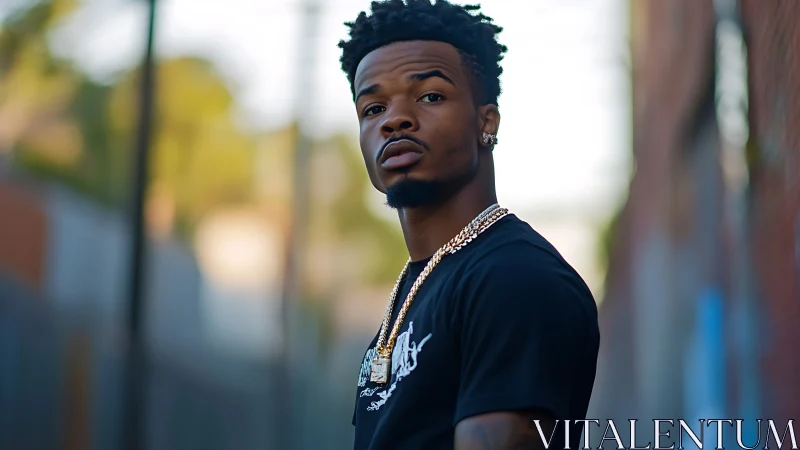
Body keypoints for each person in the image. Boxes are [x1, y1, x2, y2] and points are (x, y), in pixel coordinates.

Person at [337, 1, 600, 448]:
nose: (394, 120)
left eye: (430, 96)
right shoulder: (417, 287)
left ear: (486, 122)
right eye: (373, 107)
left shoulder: (514, 279)